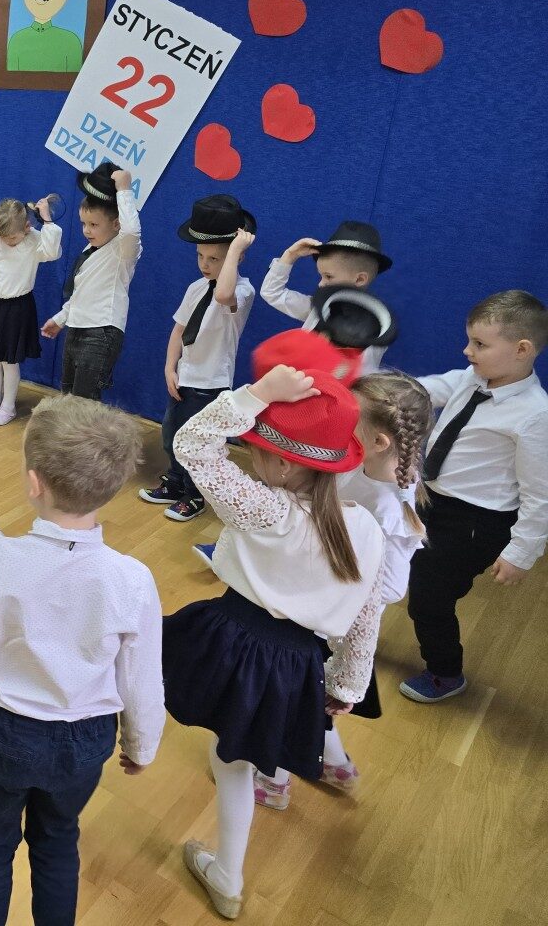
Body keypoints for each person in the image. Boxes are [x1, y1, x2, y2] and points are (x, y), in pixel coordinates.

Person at [0, 394, 164, 926]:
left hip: (6, 730)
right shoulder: (132, 579)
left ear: (34, 482)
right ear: (114, 486)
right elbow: (142, 678)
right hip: (87, 739)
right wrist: (141, 745)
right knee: (58, 840)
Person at [163, 340, 386, 920]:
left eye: (255, 450)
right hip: (298, 664)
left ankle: (228, 875)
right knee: (247, 749)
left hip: (233, 644)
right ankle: (250, 829)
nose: (248, 458)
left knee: (229, 762)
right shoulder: (365, 528)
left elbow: (191, 443)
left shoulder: (266, 510)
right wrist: (347, 684)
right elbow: (366, 615)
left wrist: (257, 394)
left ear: (284, 464)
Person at [254, 370, 433, 809]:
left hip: (334, 623)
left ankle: (273, 782)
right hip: (321, 610)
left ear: (379, 442)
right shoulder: (362, 468)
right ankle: (334, 763)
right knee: (310, 699)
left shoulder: (388, 506)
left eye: (350, 419)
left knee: (289, 700)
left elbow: (390, 587)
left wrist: (331, 585)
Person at [400, 291, 548, 703]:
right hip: (432, 500)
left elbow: (540, 495)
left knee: (430, 598)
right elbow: (430, 388)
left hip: (475, 523)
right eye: (470, 340)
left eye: (480, 344)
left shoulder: (536, 415)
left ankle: (446, 673)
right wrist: (385, 388)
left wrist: (521, 553)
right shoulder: (473, 378)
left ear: (521, 350)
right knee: (395, 562)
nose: (467, 351)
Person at [141, 197, 256, 522]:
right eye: (200, 256)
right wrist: (170, 367)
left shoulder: (242, 291)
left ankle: (195, 495)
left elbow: (222, 294)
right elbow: (179, 329)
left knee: (199, 444)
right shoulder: (196, 287)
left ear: (237, 257)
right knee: (172, 436)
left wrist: (234, 249)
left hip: (211, 383)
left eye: (215, 258)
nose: (205, 264)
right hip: (185, 377)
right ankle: (176, 482)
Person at [41, 163, 141, 401]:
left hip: (101, 331)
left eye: (94, 225)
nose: (86, 230)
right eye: (84, 224)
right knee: (68, 394)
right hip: (76, 327)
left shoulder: (123, 250)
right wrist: (61, 318)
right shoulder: (89, 250)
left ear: (116, 224)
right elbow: (82, 293)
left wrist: (124, 190)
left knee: (84, 401)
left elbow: (131, 232)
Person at [0, 197, 62, 425]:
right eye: (3, 237)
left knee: (9, 361)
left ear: (27, 227)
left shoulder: (35, 240)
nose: (7, 241)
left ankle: (8, 406)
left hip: (18, 307)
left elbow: (53, 252)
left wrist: (47, 220)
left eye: (12, 238)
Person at [260, 221, 393, 374]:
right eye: (321, 276)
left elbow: (365, 375)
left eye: (328, 276)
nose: (321, 284)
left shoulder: (375, 327)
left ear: (359, 279)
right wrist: (290, 255)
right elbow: (272, 293)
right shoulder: (319, 307)